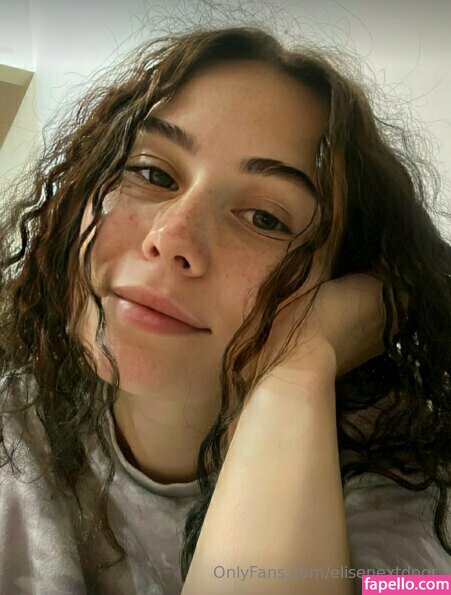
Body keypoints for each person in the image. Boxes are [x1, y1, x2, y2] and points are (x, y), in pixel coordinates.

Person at [0, 25, 450, 595]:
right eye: (152, 174)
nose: (172, 237)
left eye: (266, 219)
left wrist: (298, 370)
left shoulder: (416, 499)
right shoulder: (13, 428)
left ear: (342, 282)